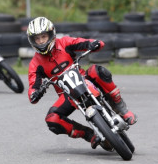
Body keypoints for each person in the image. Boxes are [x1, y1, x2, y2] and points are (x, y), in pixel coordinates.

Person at [27, 17, 138, 150]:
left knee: (98, 70)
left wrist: (94, 43)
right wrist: (34, 93)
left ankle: (122, 109)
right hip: (67, 95)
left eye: (43, 37)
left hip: (84, 79)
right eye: (37, 39)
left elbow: (83, 42)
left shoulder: (64, 42)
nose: (41, 41)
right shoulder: (35, 63)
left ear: (51, 34)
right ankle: (89, 135)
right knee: (52, 119)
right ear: (32, 41)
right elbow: (33, 84)